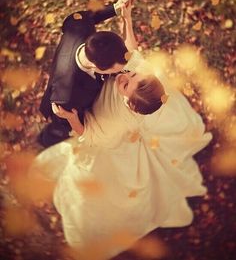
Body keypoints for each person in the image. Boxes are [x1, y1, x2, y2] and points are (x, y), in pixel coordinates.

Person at [33, 49, 212, 259]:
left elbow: (89, 135)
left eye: (127, 83)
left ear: (129, 103)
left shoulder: (113, 124)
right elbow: (133, 55)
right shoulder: (139, 84)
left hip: (115, 149)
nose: (125, 76)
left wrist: (70, 118)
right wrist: (126, 20)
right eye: (132, 76)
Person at [38, 0, 136, 148]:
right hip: (65, 116)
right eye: (113, 71)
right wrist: (73, 123)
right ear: (96, 67)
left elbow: (88, 17)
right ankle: (46, 140)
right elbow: (67, 118)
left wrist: (115, 8)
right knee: (58, 131)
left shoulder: (79, 25)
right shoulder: (66, 96)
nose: (119, 73)